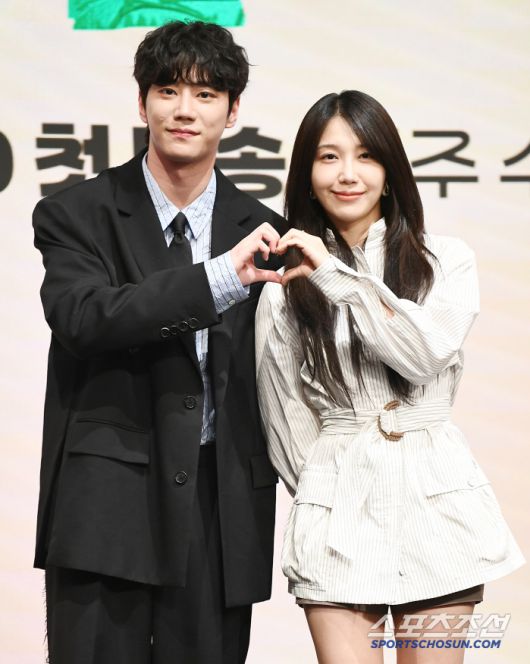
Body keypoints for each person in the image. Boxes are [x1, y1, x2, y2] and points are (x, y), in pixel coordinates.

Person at [33, 20, 286, 664]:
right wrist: (219, 278)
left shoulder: (266, 231)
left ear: (233, 111)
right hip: (107, 500)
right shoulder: (77, 213)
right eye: (168, 90)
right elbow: (83, 317)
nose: (184, 110)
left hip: (220, 506)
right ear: (142, 102)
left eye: (206, 94)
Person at [255, 90, 524, 664]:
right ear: (306, 175)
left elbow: (422, 356)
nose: (347, 174)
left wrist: (336, 277)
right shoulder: (284, 286)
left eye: (365, 155)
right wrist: (329, 489)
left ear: (390, 170)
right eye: (328, 157)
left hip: (437, 505)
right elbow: (284, 416)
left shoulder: (445, 261)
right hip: (337, 517)